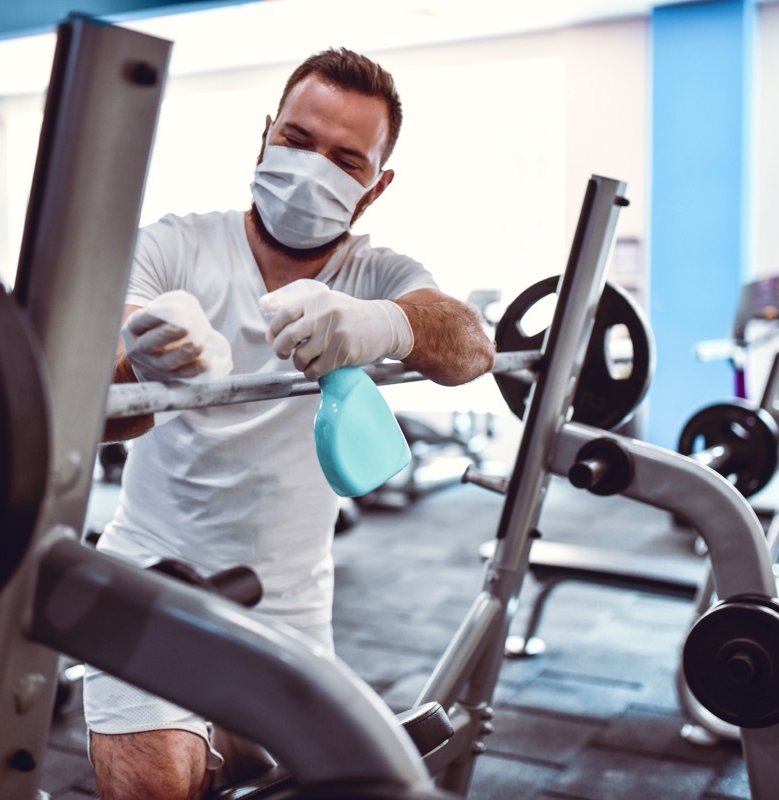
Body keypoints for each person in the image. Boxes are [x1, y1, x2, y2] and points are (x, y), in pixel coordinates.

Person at [85, 47, 496, 800]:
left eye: (345, 159)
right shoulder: (176, 244)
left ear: (376, 186)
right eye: (299, 141)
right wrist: (142, 358)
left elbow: (471, 346)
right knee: (152, 786)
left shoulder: (374, 272)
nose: (312, 169)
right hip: (154, 580)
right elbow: (97, 416)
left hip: (294, 609)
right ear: (266, 135)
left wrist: (384, 325)